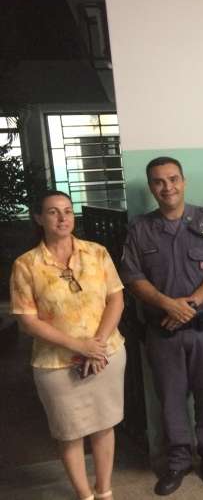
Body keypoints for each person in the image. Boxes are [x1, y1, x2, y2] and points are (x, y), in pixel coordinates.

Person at [120, 157, 203, 495]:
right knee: (170, 398)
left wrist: (191, 304)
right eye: (159, 181)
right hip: (163, 330)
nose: (167, 187)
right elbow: (132, 277)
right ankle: (179, 459)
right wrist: (167, 304)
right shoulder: (140, 228)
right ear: (151, 187)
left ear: (183, 182)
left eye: (173, 179)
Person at [10, 190, 126, 500]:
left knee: (104, 425)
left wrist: (96, 345)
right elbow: (28, 320)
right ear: (38, 218)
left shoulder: (97, 252)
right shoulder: (26, 264)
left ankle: (104, 491)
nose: (63, 218)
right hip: (56, 364)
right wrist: (79, 346)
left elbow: (116, 299)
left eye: (68, 211)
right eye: (53, 212)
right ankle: (84, 494)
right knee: (69, 432)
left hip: (106, 354)